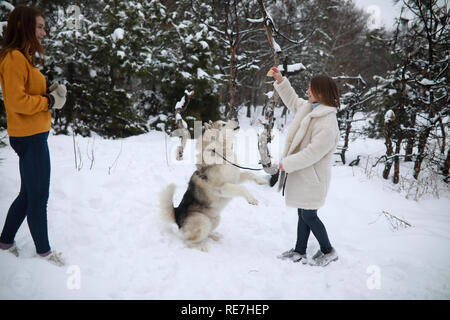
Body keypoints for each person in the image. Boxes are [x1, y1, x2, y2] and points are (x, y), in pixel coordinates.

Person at [0, 5, 67, 266]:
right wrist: (49, 101)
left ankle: (5, 241)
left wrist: (48, 90)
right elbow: (17, 103)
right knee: (39, 196)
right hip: (30, 137)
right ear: (22, 26)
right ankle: (44, 253)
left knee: (28, 194)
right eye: (39, 27)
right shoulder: (14, 57)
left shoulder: (21, 57)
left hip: (32, 135)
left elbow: (25, 92)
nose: (44, 32)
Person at [271, 67, 340, 267]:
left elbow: (313, 153)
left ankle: (328, 250)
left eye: (311, 89)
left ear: (321, 92)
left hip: (313, 178)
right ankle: (300, 251)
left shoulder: (327, 122)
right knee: (303, 212)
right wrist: (281, 81)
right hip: (305, 177)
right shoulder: (311, 109)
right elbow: (293, 101)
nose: (307, 92)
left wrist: (287, 163)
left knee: (309, 214)